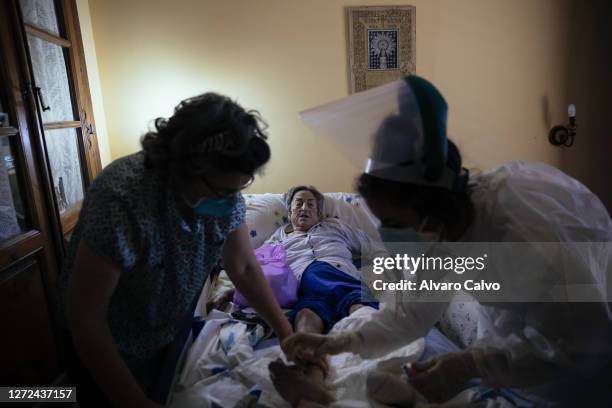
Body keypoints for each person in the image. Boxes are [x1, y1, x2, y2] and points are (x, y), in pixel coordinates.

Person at [283, 76, 612, 406]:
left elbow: (584, 343)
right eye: (382, 223)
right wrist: (339, 343)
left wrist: (472, 363)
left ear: (431, 207)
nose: (388, 235)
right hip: (521, 359)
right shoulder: (441, 235)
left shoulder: (525, 231)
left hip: (578, 378)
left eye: (395, 223)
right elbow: (410, 315)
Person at [57, 93, 293, 407]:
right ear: (188, 166)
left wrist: (287, 335)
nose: (232, 200)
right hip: (107, 342)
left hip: (166, 329)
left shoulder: (225, 198)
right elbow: (85, 317)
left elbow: (245, 268)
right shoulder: (122, 198)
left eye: (239, 189)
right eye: (223, 190)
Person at [266, 185, 384, 406]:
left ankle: (369, 369)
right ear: (289, 211)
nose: (304, 208)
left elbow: (373, 247)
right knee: (306, 320)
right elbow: (256, 267)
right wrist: (229, 291)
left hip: (344, 280)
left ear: (319, 213)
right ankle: (311, 384)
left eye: (311, 204)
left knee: (361, 313)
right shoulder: (278, 238)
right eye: (298, 203)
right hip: (307, 288)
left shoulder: (335, 226)